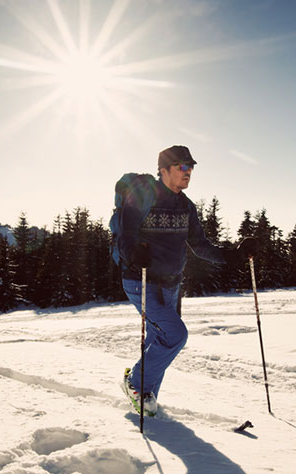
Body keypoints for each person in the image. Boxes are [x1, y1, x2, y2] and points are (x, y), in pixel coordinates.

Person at [114, 144, 257, 415]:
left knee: (158, 341)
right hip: (141, 281)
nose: (188, 171)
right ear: (164, 170)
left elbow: (201, 246)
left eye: (190, 166)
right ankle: (134, 382)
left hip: (171, 284)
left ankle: (145, 399)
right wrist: (135, 253)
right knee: (176, 335)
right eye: (182, 166)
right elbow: (125, 237)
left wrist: (235, 255)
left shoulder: (186, 207)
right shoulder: (142, 197)